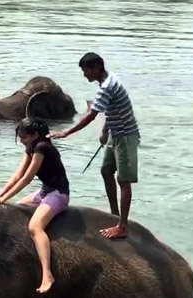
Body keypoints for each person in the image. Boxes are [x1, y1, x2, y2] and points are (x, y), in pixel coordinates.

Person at [49, 52, 140, 239]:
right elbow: (113, 108)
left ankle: (122, 226)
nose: (85, 75)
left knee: (123, 180)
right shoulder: (108, 81)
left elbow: (91, 116)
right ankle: (115, 214)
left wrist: (66, 132)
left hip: (125, 135)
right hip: (115, 132)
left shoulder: (107, 86)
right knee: (106, 171)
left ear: (98, 67)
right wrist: (106, 130)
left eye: (87, 70)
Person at [0, 118, 70, 293]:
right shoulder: (31, 148)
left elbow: (27, 179)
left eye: (23, 137)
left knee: (35, 227)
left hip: (58, 194)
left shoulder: (42, 147)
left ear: (35, 135)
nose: (21, 140)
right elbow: (17, 176)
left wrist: (4, 198)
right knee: (14, 209)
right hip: (44, 191)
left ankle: (47, 274)